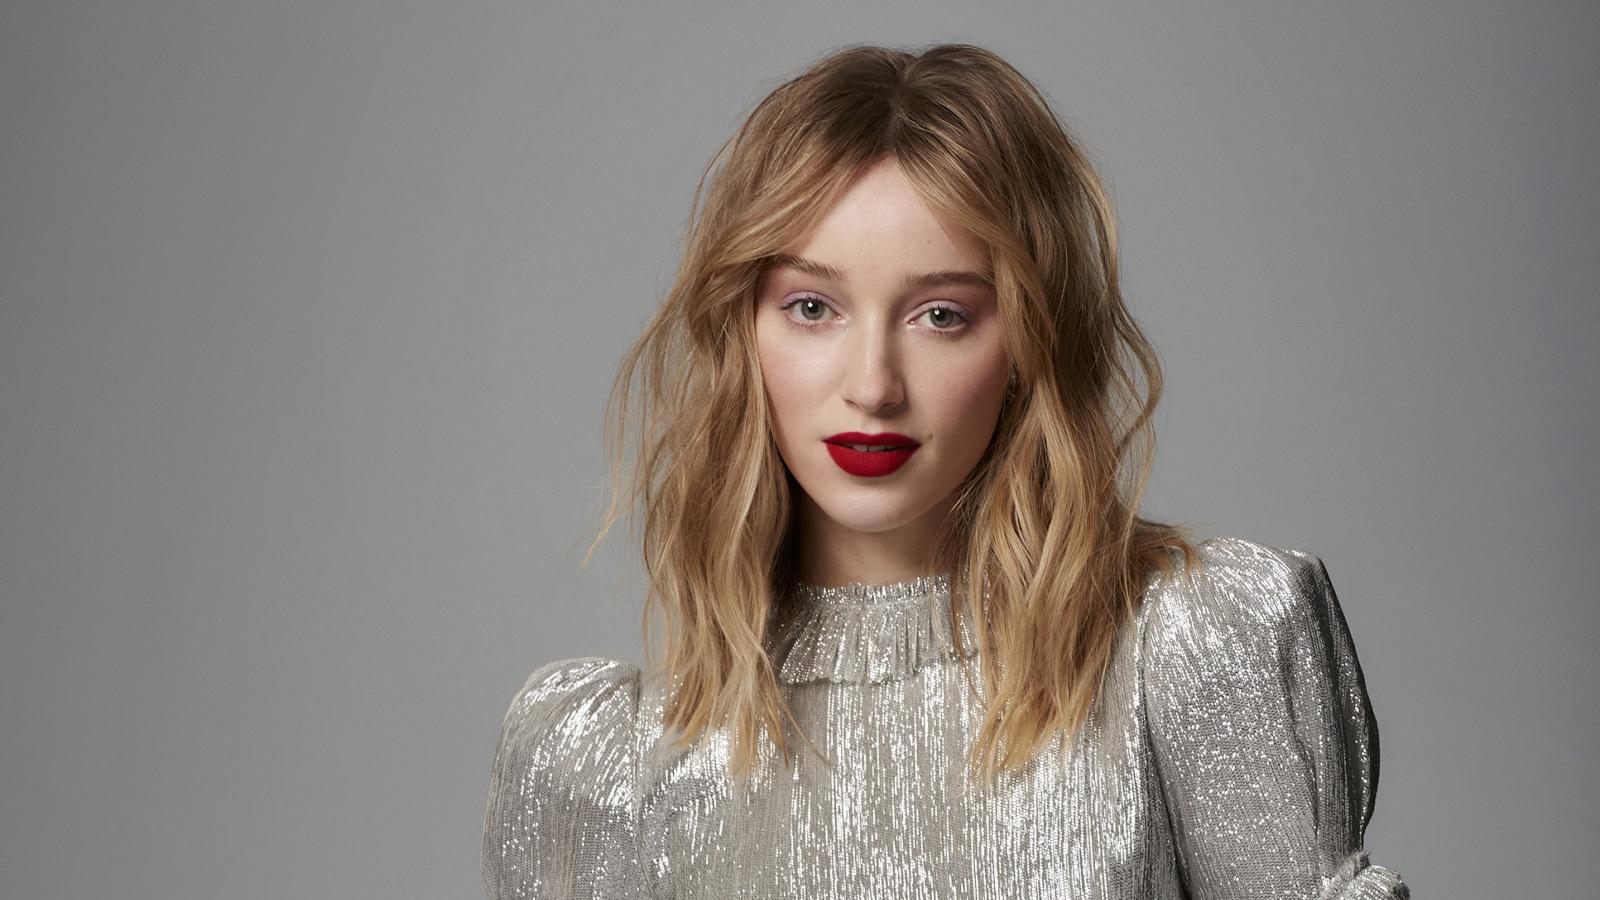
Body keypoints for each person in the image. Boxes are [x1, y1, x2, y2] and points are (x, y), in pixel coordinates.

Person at [479, 42, 1410, 899]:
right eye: (812, 307)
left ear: (1027, 346)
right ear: (742, 333)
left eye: (941, 316)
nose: (873, 385)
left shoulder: (1194, 651)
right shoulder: (608, 768)